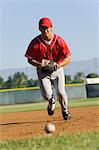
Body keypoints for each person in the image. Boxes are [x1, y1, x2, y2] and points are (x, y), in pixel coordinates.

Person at [25, 17, 71, 120]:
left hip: (57, 70)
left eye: (47, 27)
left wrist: (58, 65)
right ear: (39, 29)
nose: (45, 30)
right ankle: (51, 101)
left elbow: (67, 58)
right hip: (43, 72)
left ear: (51, 28)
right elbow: (29, 59)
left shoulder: (59, 41)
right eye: (43, 28)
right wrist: (39, 65)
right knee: (47, 95)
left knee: (61, 92)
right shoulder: (35, 43)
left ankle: (65, 111)